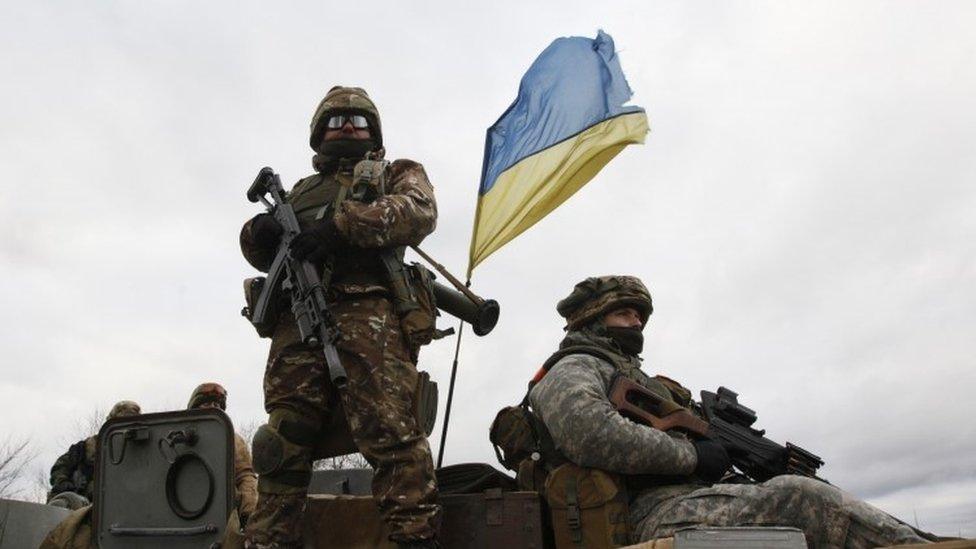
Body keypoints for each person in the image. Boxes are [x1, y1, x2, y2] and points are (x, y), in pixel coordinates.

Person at [527, 275, 931, 547]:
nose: (636, 323)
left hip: (675, 498)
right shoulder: (574, 366)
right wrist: (693, 455)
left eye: (640, 316)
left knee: (793, 490)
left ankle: (924, 540)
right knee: (802, 498)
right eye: (625, 313)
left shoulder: (631, 374)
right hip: (630, 509)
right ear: (593, 319)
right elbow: (590, 433)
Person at [240, 86, 440, 549]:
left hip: (369, 316)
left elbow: (419, 211)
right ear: (318, 134)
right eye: (335, 122)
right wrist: (259, 232)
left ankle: (414, 539)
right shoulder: (299, 193)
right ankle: (268, 540)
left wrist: (341, 228)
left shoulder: (394, 173)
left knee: (393, 434)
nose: (347, 128)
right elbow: (258, 255)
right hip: (296, 325)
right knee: (281, 446)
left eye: (358, 121)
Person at [187, 382, 258, 526]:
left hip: (222, 511)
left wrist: (249, 514)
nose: (214, 407)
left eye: (217, 404)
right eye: (207, 404)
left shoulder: (232, 439)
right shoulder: (177, 435)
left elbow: (245, 477)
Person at [47, 400, 141, 509]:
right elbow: (59, 468)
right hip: (83, 507)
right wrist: (63, 483)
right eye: (121, 422)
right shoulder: (84, 448)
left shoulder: (139, 451)